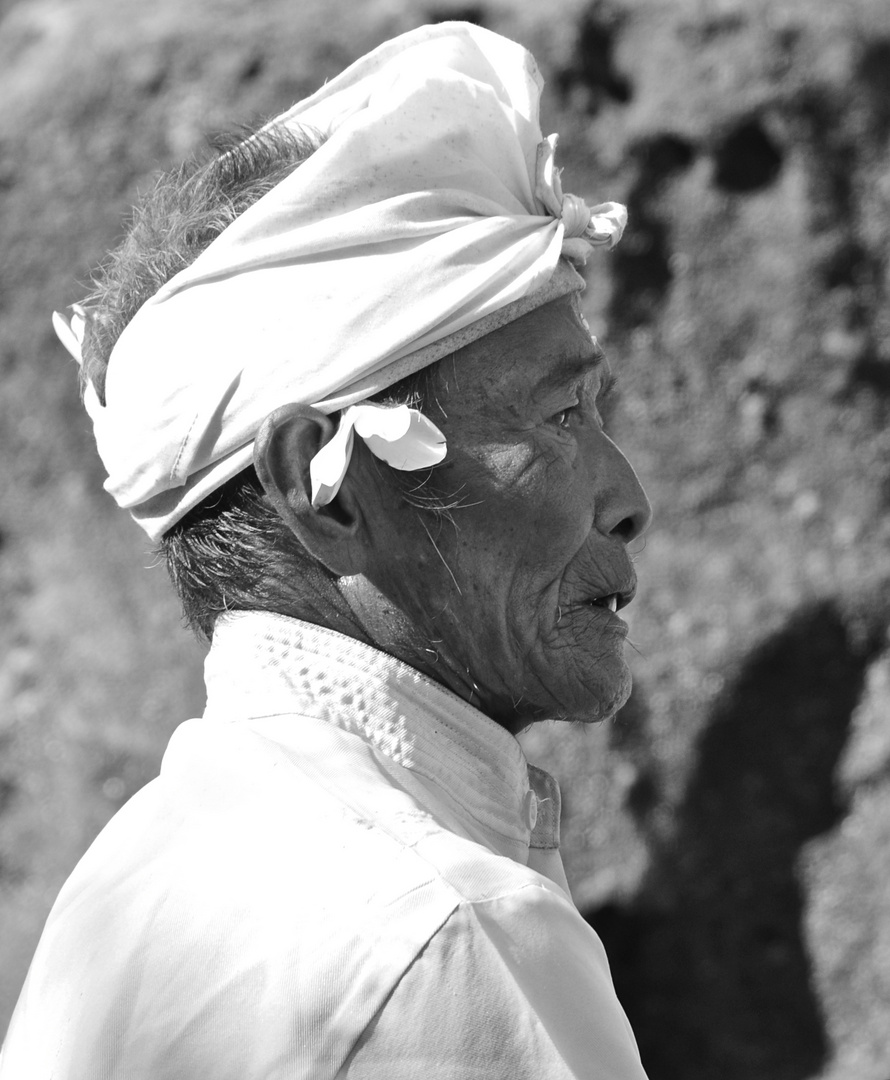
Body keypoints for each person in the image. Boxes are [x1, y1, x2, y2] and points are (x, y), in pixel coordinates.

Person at [1, 21, 652, 1079]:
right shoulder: (440, 932)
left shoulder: (126, 887)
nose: (626, 499)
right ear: (323, 485)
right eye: (557, 417)